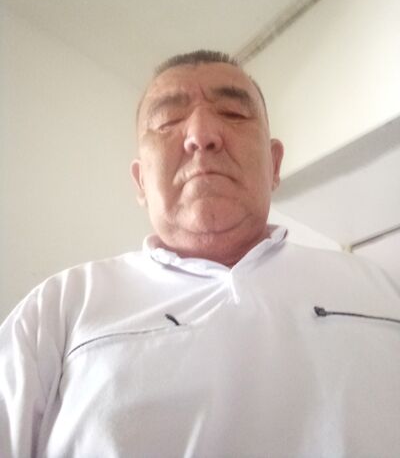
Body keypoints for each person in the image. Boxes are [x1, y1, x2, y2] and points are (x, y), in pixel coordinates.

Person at [1, 50, 400, 457]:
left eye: (233, 113)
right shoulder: (58, 310)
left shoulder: (382, 292)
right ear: (140, 182)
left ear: (274, 164)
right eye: (167, 121)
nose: (202, 134)